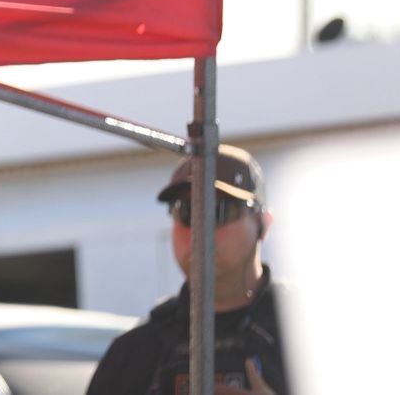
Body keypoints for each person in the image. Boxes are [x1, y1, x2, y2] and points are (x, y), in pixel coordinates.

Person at [85, 145, 294, 395]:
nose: (200, 230)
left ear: (263, 224)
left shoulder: (314, 338)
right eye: (185, 211)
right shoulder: (134, 354)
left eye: (219, 211)